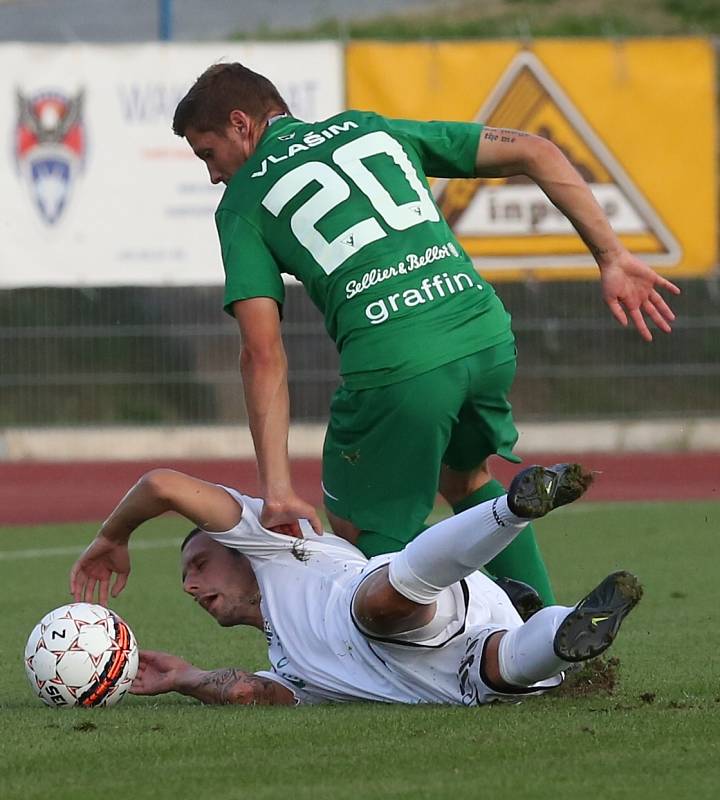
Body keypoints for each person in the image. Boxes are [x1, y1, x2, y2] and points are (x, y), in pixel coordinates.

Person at [170, 62, 679, 604]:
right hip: (483, 333)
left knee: (360, 527)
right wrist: (613, 256)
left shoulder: (243, 202)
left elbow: (261, 353)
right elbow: (538, 149)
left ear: (241, 123)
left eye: (208, 154)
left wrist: (275, 488)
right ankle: (542, 627)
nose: (214, 175)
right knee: (463, 479)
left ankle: (481, 626)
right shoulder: (370, 128)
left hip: (398, 363)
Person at [69, 462, 642, 707]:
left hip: (409, 591)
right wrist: (185, 678)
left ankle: (510, 510)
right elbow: (251, 692)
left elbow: (162, 485)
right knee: (498, 666)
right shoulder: (289, 660)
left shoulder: (282, 545)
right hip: (450, 669)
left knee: (376, 609)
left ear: (239, 550)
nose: (190, 587)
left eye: (197, 564)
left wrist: (113, 536)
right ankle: (563, 628)